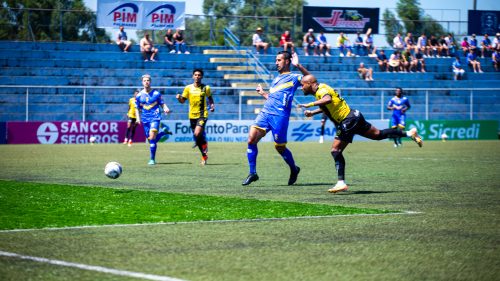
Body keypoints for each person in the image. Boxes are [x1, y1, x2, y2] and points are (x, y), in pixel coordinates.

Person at [297, 75, 423, 193]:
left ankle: (341, 182)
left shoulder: (321, 92)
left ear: (309, 83)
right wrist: (313, 113)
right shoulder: (323, 87)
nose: (301, 87)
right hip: (355, 115)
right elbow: (329, 104)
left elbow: (327, 99)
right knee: (378, 135)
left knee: (335, 150)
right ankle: (409, 133)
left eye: (302, 85)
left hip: (348, 120)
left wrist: (310, 104)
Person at [242, 51, 310, 186]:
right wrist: (263, 93)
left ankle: (294, 169)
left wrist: (299, 65)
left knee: (279, 147)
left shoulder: (294, 77)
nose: (276, 62)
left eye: (279, 60)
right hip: (265, 113)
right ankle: (253, 173)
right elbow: (273, 98)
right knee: (251, 140)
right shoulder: (276, 79)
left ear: (287, 61)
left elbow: (311, 80)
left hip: (280, 116)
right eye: (276, 60)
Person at [176, 69, 215, 165]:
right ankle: (204, 154)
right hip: (192, 115)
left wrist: (212, 105)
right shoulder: (188, 88)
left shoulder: (206, 88)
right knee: (198, 137)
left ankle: (203, 145)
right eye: (195, 75)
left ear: (202, 77)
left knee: (197, 134)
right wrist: (179, 98)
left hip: (202, 114)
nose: (197, 76)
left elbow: (210, 98)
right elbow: (182, 101)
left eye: (199, 75)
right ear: (193, 76)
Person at [135, 74, 171, 165]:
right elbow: (137, 108)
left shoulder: (156, 94)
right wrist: (138, 119)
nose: (146, 82)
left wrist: (165, 108)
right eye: (144, 80)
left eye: (148, 80)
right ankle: (163, 132)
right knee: (151, 139)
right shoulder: (139, 96)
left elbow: (162, 103)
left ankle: (152, 159)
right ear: (142, 82)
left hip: (155, 117)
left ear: (150, 82)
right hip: (145, 119)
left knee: (152, 137)